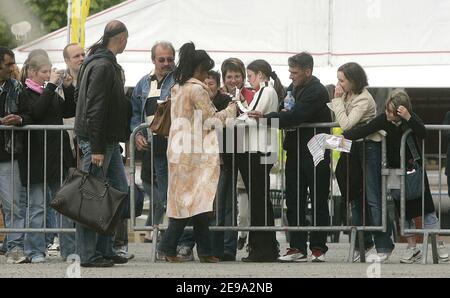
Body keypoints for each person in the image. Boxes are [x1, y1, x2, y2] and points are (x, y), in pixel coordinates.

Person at [344, 89, 448, 263]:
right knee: (403, 211)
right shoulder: (384, 120)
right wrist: (343, 136)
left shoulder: (410, 119)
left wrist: (409, 117)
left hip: (414, 170)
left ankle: (439, 245)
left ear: (402, 110)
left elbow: (422, 133)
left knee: (427, 209)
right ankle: (412, 247)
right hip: (394, 172)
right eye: (386, 109)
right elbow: (364, 130)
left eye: (391, 111)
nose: (387, 113)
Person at [158, 42, 236, 263]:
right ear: (200, 69)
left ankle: (204, 251)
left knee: (197, 202)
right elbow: (212, 119)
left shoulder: (177, 87)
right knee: (192, 202)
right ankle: (168, 247)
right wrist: (232, 108)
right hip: (195, 153)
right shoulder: (197, 89)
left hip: (178, 149)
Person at [249, 52, 331, 262]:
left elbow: (297, 116)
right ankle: (297, 247)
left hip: (316, 152)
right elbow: (286, 112)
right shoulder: (291, 89)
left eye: (295, 72)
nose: (291, 76)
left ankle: (318, 248)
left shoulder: (317, 91)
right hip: (294, 151)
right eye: (290, 72)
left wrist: (267, 119)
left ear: (308, 71)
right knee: (294, 200)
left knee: (319, 200)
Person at [74, 20, 131, 267]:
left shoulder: (96, 63)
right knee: (93, 197)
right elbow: (94, 108)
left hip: (106, 141)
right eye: (126, 39)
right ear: (120, 39)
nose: (126, 43)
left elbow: (81, 98)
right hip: (99, 143)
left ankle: (103, 249)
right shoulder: (103, 66)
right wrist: (96, 147)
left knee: (117, 191)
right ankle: (89, 254)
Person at [328, 62, 394, 262]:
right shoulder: (348, 96)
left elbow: (346, 124)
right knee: (354, 197)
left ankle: (384, 245)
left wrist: (337, 100)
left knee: (373, 196)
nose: (338, 84)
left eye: (342, 80)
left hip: (368, 147)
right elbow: (343, 121)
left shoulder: (364, 98)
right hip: (352, 148)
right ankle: (362, 245)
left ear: (353, 81)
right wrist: (340, 100)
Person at [19, 53, 77, 263]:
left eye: (50, 70)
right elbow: (36, 113)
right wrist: (52, 85)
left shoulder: (50, 91)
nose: (48, 75)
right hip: (36, 158)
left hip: (58, 157)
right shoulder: (25, 92)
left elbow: (68, 110)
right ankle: (35, 250)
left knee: (64, 206)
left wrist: (69, 88)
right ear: (33, 72)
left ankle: (69, 249)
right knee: (37, 207)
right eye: (44, 71)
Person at [234, 59, 283, 262]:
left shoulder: (266, 90)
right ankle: (265, 247)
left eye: (250, 76)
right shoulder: (266, 92)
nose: (248, 80)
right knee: (260, 199)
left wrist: (235, 108)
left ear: (261, 74)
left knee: (259, 200)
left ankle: (262, 249)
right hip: (259, 149)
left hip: (257, 150)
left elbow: (250, 117)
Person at [130, 41, 175, 243]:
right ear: (153, 60)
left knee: (172, 196)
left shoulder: (179, 81)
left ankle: (172, 240)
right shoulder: (143, 83)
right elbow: (135, 115)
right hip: (154, 147)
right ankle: (165, 241)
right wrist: (137, 134)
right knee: (163, 195)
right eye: (162, 59)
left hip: (177, 146)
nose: (166, 63)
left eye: (170, 59)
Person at [0, 47, 30, 264]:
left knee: (14, 205)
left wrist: (19, 118)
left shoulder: (17, 87)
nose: (13, 68)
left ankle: (15, 248)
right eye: (9, 64)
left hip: (8, 155)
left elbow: (29, 112)